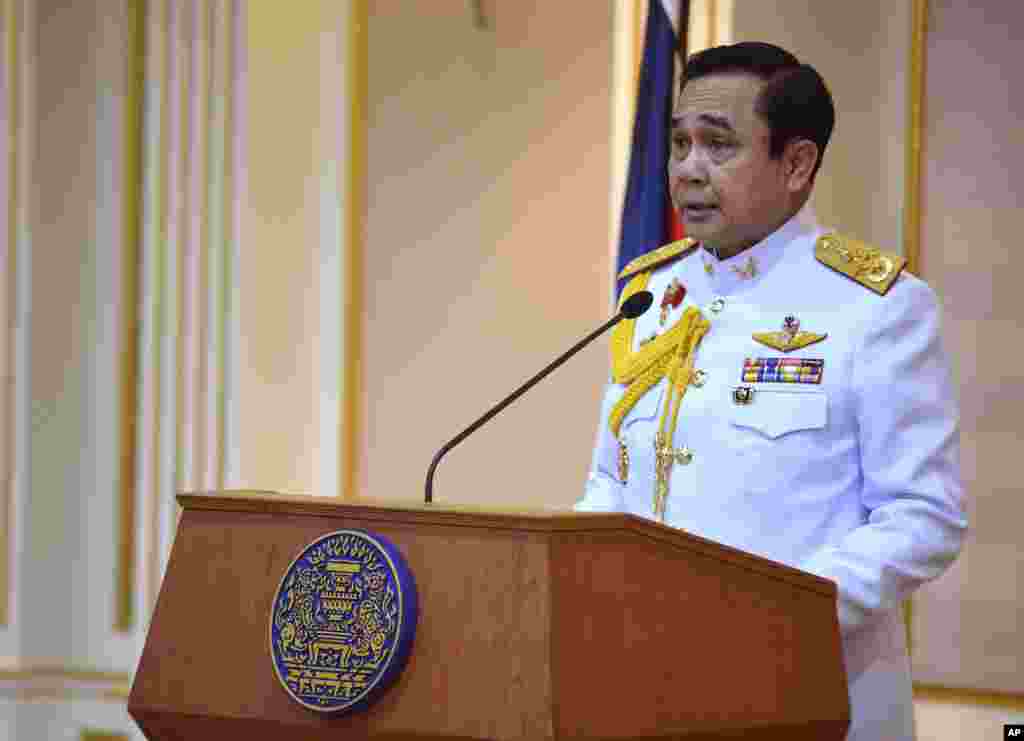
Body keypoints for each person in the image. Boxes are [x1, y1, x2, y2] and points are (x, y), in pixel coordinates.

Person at [575, 42, 966, 741]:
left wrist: (777, 612)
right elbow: (612, 477)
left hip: (807, 696)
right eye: (679, 142)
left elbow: (923, 513)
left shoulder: (875, 307)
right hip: (645, 689)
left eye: (718, 145)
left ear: (796, 164)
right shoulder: (649, 294)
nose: (689, 168)